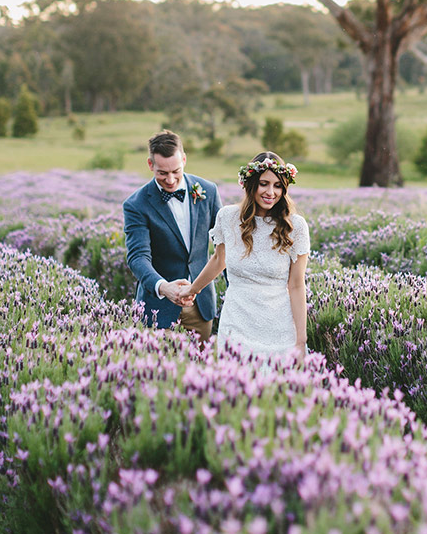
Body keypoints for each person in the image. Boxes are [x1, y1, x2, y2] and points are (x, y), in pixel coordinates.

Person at [181, 151, 308, 361]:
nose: (271, 192)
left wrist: (301, 340)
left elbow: (296, 285)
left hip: (278, 324)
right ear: (250, 184)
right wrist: (192, 289)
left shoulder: (295, 227)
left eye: (278, 185)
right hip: (237, 319)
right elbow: (218, 260)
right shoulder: (228, 218)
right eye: (264, 183)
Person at [123, 130, 221, 338]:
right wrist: (163, 287)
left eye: (176, 171)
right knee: (158, 370)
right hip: (157, 307)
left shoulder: (208, 191)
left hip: (201, 305)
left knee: (202, 367)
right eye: (162, 173)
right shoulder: (136, 205)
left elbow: (225, 246)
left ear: (184, 159)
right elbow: (137, 257)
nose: (170, 180)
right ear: (150, 165)